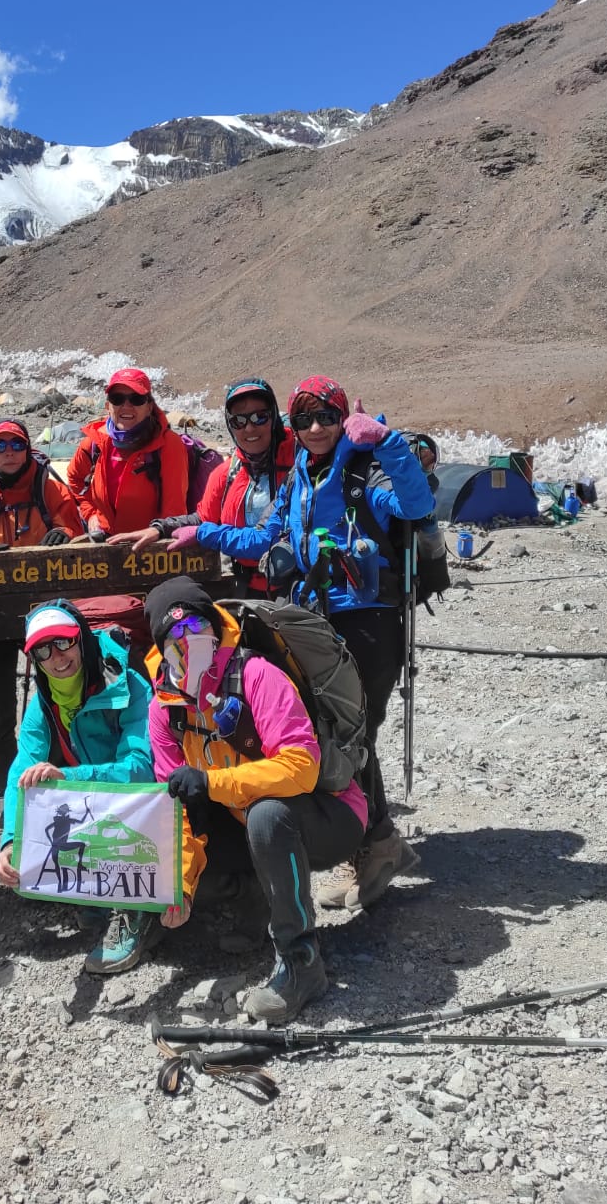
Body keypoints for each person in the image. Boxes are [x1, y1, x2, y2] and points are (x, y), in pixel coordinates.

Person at [169, 376, 434, 911]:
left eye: (327, 418)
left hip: (371, 622)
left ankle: (376, 846)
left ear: (342, 418)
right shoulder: (300, 479)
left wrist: (385, 441)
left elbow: (415, 504)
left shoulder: (365, 469)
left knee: (356, 735)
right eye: (305, 420)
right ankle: (378, 845)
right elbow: (264, 537)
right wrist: (204, 534)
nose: (316, 429)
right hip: (321, 625)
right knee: (338, 732)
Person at [144, 577, 367, 1019]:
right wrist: (181, 885)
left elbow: (301, 767)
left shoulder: (256, 674)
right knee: (192, 851)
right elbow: (176, 809)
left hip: (328, 812)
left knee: (267, 815)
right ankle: (255, 898)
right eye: (174, 634)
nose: (187, 640)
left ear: (213, 625)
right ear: (160, 646)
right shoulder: (163, 709)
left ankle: (300, 960)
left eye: (195, 624)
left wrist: (212, 784)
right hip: (244, 817)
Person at [0, 601, 156, 975]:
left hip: (134, 809)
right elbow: (21, 771)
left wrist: (71, 778)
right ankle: (96, 892)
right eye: (42, 650)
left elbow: (141, 770)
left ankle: (139, 910)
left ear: (81, 639)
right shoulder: (42, 704)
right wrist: (10, 840)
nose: (56, 658)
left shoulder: (129, 687)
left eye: (63, 643)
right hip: (85, 810)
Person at [0, 419, 84, 814]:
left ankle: (57, 775)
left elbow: (72, 524)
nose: (8, 451)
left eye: (16, 444)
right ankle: (2, 792)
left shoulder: (47, 485)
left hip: (45, 610)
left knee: (59, 698)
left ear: (27, 448)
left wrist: (63, 534)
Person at [111, 377, 295, 596]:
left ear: (274, 417)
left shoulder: (300, 462)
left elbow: (264, 539)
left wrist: (202, 533)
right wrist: (159, 528)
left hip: (295, 587)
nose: (249, 427)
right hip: (244, 586)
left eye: (260, 417)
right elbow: (203, 518)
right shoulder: (227, 474)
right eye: (239, 421)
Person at [67, 367, 189, 538]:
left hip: (150, 545)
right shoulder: (95, 442)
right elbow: (75, 479)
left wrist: (159, 535)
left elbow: (174, 508)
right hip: (106, 541)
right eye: (117, 399)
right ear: (108, 406)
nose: (126, 406)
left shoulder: (168, 444)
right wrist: (91, 513)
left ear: (149, 407)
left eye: (136, 399)